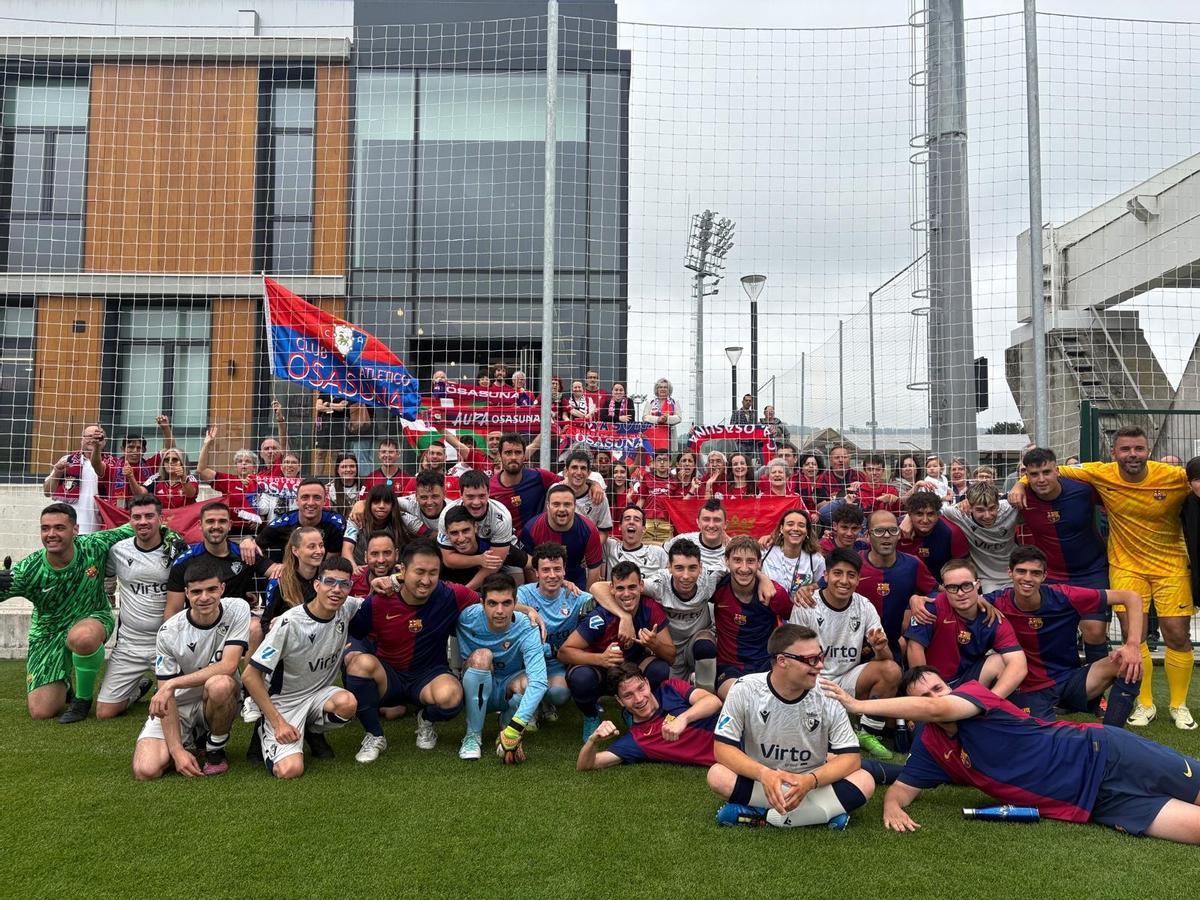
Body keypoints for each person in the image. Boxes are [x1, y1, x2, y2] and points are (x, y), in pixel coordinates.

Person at [826, 667, 1200, 844]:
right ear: (911, 710)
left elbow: (942, 710)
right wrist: (892, 806)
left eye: (938, 688)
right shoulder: (932, 747)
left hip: (1106, 752)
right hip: (1096, 804)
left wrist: (859, 704)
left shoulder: (975, 695)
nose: (934, 699)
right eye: (923, 699)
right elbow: (905, 787)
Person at [1010, 426, 1194, 729]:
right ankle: (1143, 703)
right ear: (1113, 453)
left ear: (1148, 450)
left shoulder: (1171, 476)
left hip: (1167, 564)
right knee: (1131, 634)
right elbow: (1043, 472)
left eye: (1138, 449)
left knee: (1175, 634)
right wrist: (1019, 482)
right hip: (1123, 564)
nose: (1132, 455)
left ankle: (1179, 705)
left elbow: (1194, 481)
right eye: (1125, 449)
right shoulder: (1099, 474)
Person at [0, 503, 166, 723]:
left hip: (93, 617)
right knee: (41, 712)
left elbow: (141, 526)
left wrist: (171, 538)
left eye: (59, 527)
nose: (51, 534)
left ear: (75, 529)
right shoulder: (28, 570)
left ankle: (82, 700)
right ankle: (64, 683)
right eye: (45, 528)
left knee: (83, 637)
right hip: (48, 633)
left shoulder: (94, 545)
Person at [709, 623, 876, 829]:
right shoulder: (745, 689)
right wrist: (765, 774)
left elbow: (851, 759)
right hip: (764, 782)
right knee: (717, 775)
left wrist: (810, 781)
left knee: (865, 780)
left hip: (813, 783)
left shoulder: (829, 694)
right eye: (811, 660)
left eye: (820, 657)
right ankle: (820, 815)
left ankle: (763, 817)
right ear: (782, 661)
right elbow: (722, 749)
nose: (820, 666)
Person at [342, 540, 480, 761]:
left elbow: (490, 603)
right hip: (389, 676)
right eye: (420, 572)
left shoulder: (451, 594)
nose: (426, 580)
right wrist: (353, 653)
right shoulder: (379, 601)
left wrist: (527, 611)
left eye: (433, 573)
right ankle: (374, 735)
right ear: (403, 570)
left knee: (452, 697)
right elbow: (355, 633)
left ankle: (426, 718)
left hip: (428, 676)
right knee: (359, 664)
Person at [989, 546, 1144, 729]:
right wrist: (978, 601)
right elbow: (956, 601)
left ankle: (1112, 735)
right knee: (1040, 741)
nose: (1028, 578)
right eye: (1021, 571)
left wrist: (1133, 645)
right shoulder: (995, 602)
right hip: (1028, 688)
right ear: (1010, 573)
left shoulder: (1064, 595)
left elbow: (1131, 597)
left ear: (1044, 576)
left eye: (1035, 573)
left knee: (1129, 664)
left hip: (1068, 680)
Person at [131, 558, 251, 780]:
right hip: (180, 705)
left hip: (217, 698)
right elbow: (168, 697)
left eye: (212, 589)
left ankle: (215, 749)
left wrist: (174, 683)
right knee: (145, 770)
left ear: (222, 588)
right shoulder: (169, 631)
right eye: (196, 592)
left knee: (221, 683)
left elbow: (229, 665)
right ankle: (192, 737)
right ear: (186, 593)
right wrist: (177, 752)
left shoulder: (238, 608)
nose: (204, 598)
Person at [243, 557, 361, 778]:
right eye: (329, 582)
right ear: (317, 585)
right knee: (290, 770)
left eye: (344, 584)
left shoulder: (347, 608)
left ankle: (310, 729)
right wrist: (279, 723)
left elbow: (375, 600)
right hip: (284, 702)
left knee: (347, 704)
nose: (336, 590)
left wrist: (390, 581)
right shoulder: (289, 623)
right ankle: (265, 725)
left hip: (317, 695)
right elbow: (250, 676)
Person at [788, 548, 899, 760]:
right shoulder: (807, 604)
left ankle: (867, 733)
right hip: (813, 680)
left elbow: (887, 659)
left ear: (858, 579)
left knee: (891, 670)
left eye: (851, 575)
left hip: (847, 677)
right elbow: (794, 655)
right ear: (826, 576)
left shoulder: (864, 606)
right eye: (838, 573)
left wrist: (880, 647)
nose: (844, 581)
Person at [558, 560, 674, 740]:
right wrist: (601, 659)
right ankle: (591, 715)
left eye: (632, 587)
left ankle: (635, 711)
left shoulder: (651, 609)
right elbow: (564, 652)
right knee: (581, 678)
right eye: (620, 588)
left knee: (660, 669)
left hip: (631, 670)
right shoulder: (601, 616)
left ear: (641, 586)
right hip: (600, 672)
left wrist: (654, 644)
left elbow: (671, 657)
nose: (626, 594)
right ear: (611, 589)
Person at [97, 496, 188, 720]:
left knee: (178, 708)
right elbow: (107, 580)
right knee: (104, 713)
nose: (142, 521)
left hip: (168, 643)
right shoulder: (118, 551)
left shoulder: (176, 551)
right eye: (136, 517)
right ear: (130, 521)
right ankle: (136, 691)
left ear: (160, 518)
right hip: (130, 643)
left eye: (149, 516)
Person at [1017, 446, 1110, 665]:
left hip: (1092, 570)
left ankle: (1098, 693)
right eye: (1034, 474)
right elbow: (987, 508)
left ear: (1057, 470)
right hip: (1052, 574)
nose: (1041, 479)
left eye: (1046, 472)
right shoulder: (1020, 498)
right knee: (1056, 632)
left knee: (1094, 631)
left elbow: (1117, 500)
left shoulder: (1083, 490)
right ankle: (1062, 686)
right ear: (1026, 475)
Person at [455, 573, 548, 762]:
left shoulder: (527, 626)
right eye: (492, 603)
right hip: (476, 681)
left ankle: (508, 727)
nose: (499, 611)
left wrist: (517, 726)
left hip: (508, 685)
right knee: (483, 656)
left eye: (506, 603)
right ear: (482, 603)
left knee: (531, 681)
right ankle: (473, 735)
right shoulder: (466, 617)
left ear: (515, 603)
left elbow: (539, 681)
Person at [904, 558, 1027, 696]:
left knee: (1001, 662)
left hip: (968, 681)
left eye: (967, 585)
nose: (960, 593)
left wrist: (990, 701)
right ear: (944, 589)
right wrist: (927, 694)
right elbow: (914, 648)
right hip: (933, 684)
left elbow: (1019, 665)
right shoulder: (930, 606)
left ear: (978, 585)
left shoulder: (993, 618)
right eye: (952, 588)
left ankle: (985, 708)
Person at [577, 661, 722, 770]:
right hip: (728, 756)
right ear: (619, 701)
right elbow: (587, 765)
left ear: (647, 683)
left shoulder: (670, 688)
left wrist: (683, 719)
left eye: (641, 688)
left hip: (738, 730)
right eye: (628, 696)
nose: (639, 699)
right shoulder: (637, 740)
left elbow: (713, 701)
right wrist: (593, 741)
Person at [516, 543, 598, 724]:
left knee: (559, 694)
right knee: (524, 688)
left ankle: (546, 702)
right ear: (536, 573)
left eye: (557, 569)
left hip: (556, 664)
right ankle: (533, 706)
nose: (552, 575)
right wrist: (527, 609)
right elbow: (503, 604)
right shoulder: (524, 594)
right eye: (545, 570)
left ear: (564, 571)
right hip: (526, 664)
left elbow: (603, 592)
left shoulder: (575, 596)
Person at [712, 537, 795, 699]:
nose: (743, 568)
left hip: (767, 664)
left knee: (771, 700)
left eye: (750, 561)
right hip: (729, 667)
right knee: (738, 697)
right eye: (737, 560)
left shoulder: (773, 593)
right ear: (726, 561)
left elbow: (797, 620)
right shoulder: (717, 586)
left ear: (759, 563)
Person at [166, 501, 273, 626]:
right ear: (200, 525)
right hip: (200, 622)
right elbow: (173, 611)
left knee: (255, 627)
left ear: (230, 525)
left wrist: (251, 540)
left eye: (222, 521)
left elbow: (279, 570)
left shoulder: (244, 553)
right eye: (210, 521)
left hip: (236, 622)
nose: (216, 526)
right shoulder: (184, 561)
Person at [854, 510, 938, 659]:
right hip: (854, 646)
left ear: (899, 534)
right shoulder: (853, 562)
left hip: (894, 647)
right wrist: (807, 590)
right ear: (867, 535)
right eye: (879, 531)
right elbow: (824, 589)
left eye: (892, 530)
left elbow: (936, 592)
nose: (886, 535)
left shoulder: (912, 564)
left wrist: (918, 599)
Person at [490, 432, 604, 534]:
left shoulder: (539, 476)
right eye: (508, 453)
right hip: (504, 545)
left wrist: (593, 484)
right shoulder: (490, 487)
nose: (513, 457)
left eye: (518, 452)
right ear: (500, 455)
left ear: (524, 455)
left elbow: (569, 480)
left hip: (536, 543)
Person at [242, 478, 346, 566]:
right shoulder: (282, 523)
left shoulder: (336, 523)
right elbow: (255, 544)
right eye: (305, 497)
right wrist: (272, 568)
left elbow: (331, 563)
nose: (310, 503)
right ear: (297, 501)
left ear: (324, 501)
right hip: (289, 577)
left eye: (317, 497)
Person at [939, 481, 1020, 592]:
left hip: (1016, 572)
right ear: (970, 507)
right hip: (987, 580)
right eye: (980, 510)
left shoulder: (1011, 508)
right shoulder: (960, 513)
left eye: (992, 508)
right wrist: (908, 519)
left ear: (998, 503)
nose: (987, 516)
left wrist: (1020, 485)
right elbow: (930, 509)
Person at [520, 484, 604, 588]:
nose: (562, 509)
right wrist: (538, 594)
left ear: (574, 506)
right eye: (556, 504)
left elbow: (594, 569)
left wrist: (587, 600)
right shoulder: (531, 528)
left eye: (567, 504)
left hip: (577, 585)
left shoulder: (589, 529)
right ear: (548, 506)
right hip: (543, 586)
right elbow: (529, 568)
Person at [258, 526, 326, 635]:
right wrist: (278, 627)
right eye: (311, 547)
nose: (319, 551)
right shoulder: (280, 582)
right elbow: (266, 623)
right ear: (295, 551)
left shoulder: (328, 579)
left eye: (321, 545)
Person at [43, 424, 110, 533]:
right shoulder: (67, 460)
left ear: (104, 441)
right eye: (88, 436)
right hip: (67, 527)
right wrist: (57, 473)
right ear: (81, 440)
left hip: (98, 527)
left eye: (96, 437)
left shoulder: (112, 464)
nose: (92, 440)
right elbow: (47, 492)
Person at [440, 507, 527, 589]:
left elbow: (532, 562)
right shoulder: (438, 554)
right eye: (454, 533)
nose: (461, 538)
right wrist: (479, 560)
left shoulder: (493, 549)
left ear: (475, 528)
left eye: (466, 530)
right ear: (447, 534)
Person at [195, 427, 264, 529]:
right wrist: (207, 444)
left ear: (255, 466)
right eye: (240, 461)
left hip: (257, 530)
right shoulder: (228, 480)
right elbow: (202, 470)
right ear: (236, 466)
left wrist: (260, 517)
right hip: (231, 529)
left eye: (248, 461)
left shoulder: (262, 482)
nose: (243, 463)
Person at [896, 490, 969, 579]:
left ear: (938, 515)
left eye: (930, 514)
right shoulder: (894, 531)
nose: (925, 520)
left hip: (940, 587)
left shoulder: (952, 532)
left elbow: (962, 568)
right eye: (919, 514)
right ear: (910, 514)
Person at [106, 415, 175, 506]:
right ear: (122, 449)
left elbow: (170, 449)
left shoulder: (150, 464)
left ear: (144, 451)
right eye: (131, 447)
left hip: (144, 512)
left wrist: (165, 428)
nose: (135, 451)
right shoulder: (113, 465)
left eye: (139, 448)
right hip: (119, 513)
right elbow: (97, 465)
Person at [342, 484, 414, 568]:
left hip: (391, 571)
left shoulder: (402, 519)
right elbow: (347, 549)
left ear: (392, 505)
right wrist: (354, 568)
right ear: (369, 504)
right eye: (376, 502)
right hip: (361, 569)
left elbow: (429, 534)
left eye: (386, 502)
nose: (381, 506)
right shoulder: (357, 518)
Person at [761, 508, 825, 599]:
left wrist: (811, 587)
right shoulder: (766, 551)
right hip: (767, 610)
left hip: (801, 610)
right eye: (790, 524)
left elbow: (823, 583)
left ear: (807, 531)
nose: (795, 529)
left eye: (801, 525)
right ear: (781, 529)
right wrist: (761, 578)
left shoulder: (816, 559)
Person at [664, 499, 730, 573]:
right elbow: (662, 549)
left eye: (717, 520)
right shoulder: (683, 540)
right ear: (698, 522)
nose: (711, 525)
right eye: (706, 519)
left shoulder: (734, 547)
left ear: (725, 524)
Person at [603, 505, 668, 579]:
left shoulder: (658, 552)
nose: (631, 522)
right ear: (620, 526)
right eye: (627, 519)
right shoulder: (610, 546)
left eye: (637, 520)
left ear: (644, 529)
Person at [562, 449, 613, 536]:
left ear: (588, 473)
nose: (579, 472)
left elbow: (603, 531)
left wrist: (591, 549)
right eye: (574, 467)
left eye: (583, 468)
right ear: (566, 472)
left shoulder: (600, 496)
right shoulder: (555, 492)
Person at [130, 448, 199, 509]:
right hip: (163, 519)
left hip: (185, 519)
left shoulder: (190, 478)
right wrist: (131, 477)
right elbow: (140, 493)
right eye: (166, 460)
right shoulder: (156, 478)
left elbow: (190, 494)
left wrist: (183, 478)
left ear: (182, 462)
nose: (170, 462)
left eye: (174, 459)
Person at [631, 448, 675, 541]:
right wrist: (635, 517)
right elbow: (641, 499)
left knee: (665, 552)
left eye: (665, 460)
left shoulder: (675, 480)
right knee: (646, 551)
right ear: (654, 463)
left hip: (666, 524)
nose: (662, 463)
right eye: (659, 460)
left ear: (670, 463)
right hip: (648, 523)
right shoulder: (647, 477)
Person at [815, 446, 866, 522]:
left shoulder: (860, 476)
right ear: (830, 460)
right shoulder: (821, 479)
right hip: (832, 519)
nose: (841, 460)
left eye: (844, 457)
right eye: (837, 457)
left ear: (849, 459)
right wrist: (840, 501)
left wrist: (863, 486)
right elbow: (818, 507)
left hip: (857, 518)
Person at [312, 392, 350, 477]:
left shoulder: (343, 392)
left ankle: (335, 480)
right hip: (321, 423)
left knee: (335, 454)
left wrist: (327, 404)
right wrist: (334, 407)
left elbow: (342, 407)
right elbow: (318, 407)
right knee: (320, 453)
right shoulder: (324, 391)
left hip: (337, 423)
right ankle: (317, 478)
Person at [326, 453, 363, 519]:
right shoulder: (329, 489)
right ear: (337, 470)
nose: (348, 470)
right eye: (344, 467)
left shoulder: (364, 486)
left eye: (352, 466)